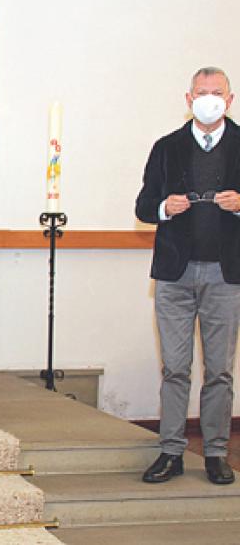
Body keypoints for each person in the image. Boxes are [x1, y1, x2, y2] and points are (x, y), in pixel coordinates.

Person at [136, 67, 240, 486]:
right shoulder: (167, 147)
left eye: (217, 93)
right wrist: (165, 207)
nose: (209, 99)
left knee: (219, 370)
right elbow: (144, 206)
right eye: (202, 92)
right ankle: (171, 451)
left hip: (225, 275)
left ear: (229, 100)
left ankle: (216, 453)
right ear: (188, 99)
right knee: (175, 369)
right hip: (175, 275)